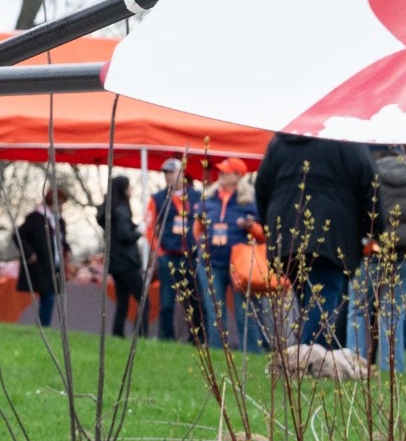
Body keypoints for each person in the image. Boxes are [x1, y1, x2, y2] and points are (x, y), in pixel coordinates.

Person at [254, 132, 375, 350]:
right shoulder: (347, 141)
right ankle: (307, 364)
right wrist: (374, 229)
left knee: (310, 302)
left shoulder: (281, 143)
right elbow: (369, 186)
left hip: (286, 234)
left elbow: (261, 187)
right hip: (332, 236)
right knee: (322, 300)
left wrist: (271, 227)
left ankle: (304, 359)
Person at [348, 145, 406, 371]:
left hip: (375, 248)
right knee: (393, 312)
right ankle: (392, 370)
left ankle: (356, 366)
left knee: (360, 308)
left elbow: (363, 210)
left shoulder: (371, 172)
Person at [198, 159, 261, 352]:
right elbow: (197, 228)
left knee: (245, 313)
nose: (221, 175)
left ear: (238, 176)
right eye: (220, 172)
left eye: (226, 172)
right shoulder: (208, 199)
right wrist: (201, 245)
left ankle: (251, 352)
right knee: (215, 312)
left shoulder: (250, 202)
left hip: (239, 266)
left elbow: (263, 234)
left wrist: (251, 227)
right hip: (211, 263)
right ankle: (217, 352)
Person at [149, 159, 203, 343]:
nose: (167, 176)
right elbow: (149, 228)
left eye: (171, 172)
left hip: (191, 257)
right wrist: (159, 250)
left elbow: (204, 223)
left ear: (182, 173)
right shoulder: (157, 198)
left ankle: (197, 339)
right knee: (167, 302)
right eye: (165, 173)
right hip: (169, 256)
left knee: (195, 300)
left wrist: (200, 246)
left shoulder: (196, 196)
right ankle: (167, 338)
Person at [100, 175, 145, 338]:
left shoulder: (110, 209)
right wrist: (139, 231)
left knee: (123, 302)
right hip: (126, 262)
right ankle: (142, 334)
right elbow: (124, 235)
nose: (131, 190)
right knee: (143, 300)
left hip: (115, 262)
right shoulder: (121, 209)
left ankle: (117, 334)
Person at [16, 185, 65, 327]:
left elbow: (62, 240)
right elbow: (19, 235)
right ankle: (44, 327)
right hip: (41, 265)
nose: (61, 207)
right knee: (47, 296)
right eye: (59, 203)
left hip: (54, 265)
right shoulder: (35, 218)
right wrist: (29, 253)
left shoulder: (59, 221)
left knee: (49, 297)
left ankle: (44, 326)